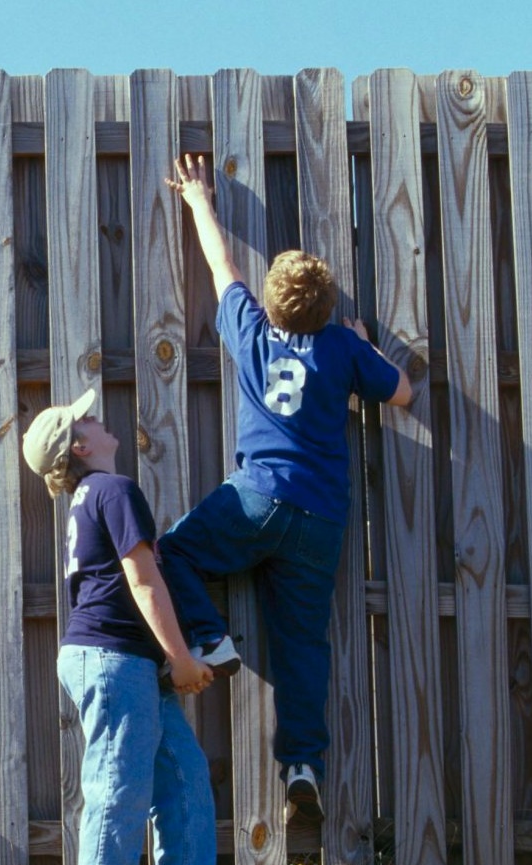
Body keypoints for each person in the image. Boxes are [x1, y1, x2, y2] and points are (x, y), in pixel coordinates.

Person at [159, 154, 412, 824]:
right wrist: (366, 344)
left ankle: (211, 638)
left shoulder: (250, 330)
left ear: (273, 302)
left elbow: (221, 266)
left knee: (176, 553)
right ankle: (303, 762)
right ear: (330, 309)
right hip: (321, 518)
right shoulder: (342, 348)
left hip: (258, 498)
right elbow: (405, 393)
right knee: (302, 643)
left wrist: (199, 201)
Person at [22, 388, 221, 865]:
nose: (94, 415)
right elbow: (143, 578)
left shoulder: (88, 499)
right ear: (80, 447)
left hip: (119, 660)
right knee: (118, 784)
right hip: (114, 661)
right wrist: (179, 657)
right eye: (81, 417)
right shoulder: (114, 488)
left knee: (183, 775)